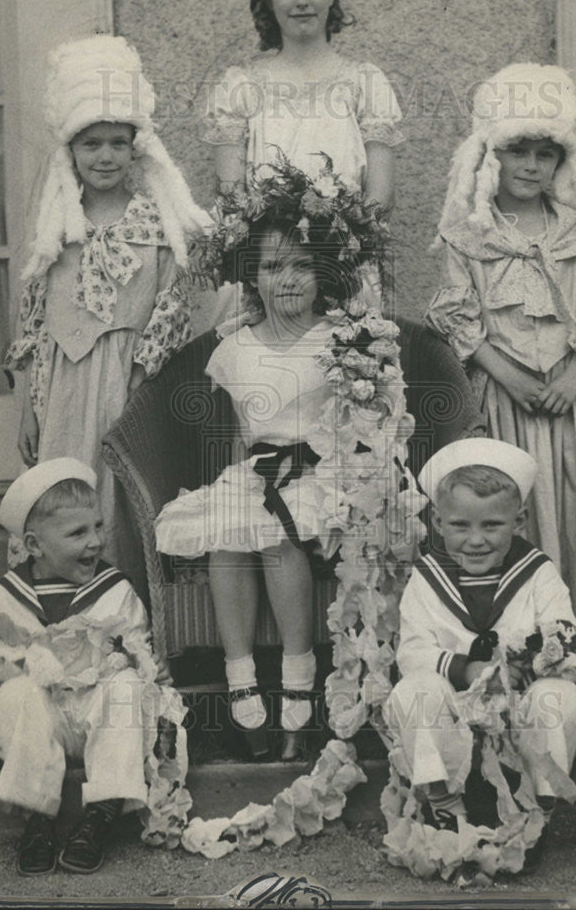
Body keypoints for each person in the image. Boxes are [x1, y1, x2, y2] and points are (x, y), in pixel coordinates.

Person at [154, 156, 401, 760]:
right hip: (261, 469)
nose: (287, 279)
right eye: (271, 266)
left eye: (300, 265)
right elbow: (245, 433)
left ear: (326, 272)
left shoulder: (344, 338)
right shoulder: (235, 347)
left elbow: (368, 423)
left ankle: (298, 681)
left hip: (329, 470)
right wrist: (247, 479)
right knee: (225, 532)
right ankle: (241, 679)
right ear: (251, 275)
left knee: (277, 534)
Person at [425, 63, 576, 669]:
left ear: (562, 162)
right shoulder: (468, 235)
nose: (530, 165)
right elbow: (458, 317)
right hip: (505, 401)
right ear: (489, 156)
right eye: (517, 150)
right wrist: (510, 375)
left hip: (570, 404)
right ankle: (513, 651)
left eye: (544, 153)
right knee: (511, 510)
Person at [3, 35, 211, 569]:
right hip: (63, 388)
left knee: (118, 492)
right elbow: (33, 320)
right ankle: (61, 609)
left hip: (126, 380)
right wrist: (29, 405)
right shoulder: (57, 224)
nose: (105, 156)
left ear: (135, 147)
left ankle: (123, 610)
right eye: (91, 144)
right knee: (62, 487)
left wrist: (143, 378)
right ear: (70, 150)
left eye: (118, 143)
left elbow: (171, 308)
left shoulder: (152, 222)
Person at [0, 459, 175, 876]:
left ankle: (102, 809)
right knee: (14, 692)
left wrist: (144, 663)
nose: (95, 542)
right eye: (77, 533)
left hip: (95, 713)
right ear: (34, 545)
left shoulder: (113, 590)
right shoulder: (5, 598)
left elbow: (136, 643)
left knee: (125, 685)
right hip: (42, 719)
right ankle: (38, 817)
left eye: (98, 527)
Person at [384, 438, 576, 881]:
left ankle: (534, 811)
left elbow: (566, 640)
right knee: (414, 692)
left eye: (492, 525)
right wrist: (465, 668)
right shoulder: (426, 578)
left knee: (561, 697)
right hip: (452, 708)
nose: (475, 541)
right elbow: (413, 652)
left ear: (519, 521)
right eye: (459, 525)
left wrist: (523, 666)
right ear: (437, 522)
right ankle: (444, 808)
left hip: (519, 707)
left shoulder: (538, 572)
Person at [199, 0, 402, 328]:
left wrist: (342, 246)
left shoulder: (364, 83)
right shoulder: (241, 85)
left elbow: (381, 194)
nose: (302, 0)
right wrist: (270, 253)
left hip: (343, 261)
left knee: (348, 376)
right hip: (267, 266)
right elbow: (231, 193)